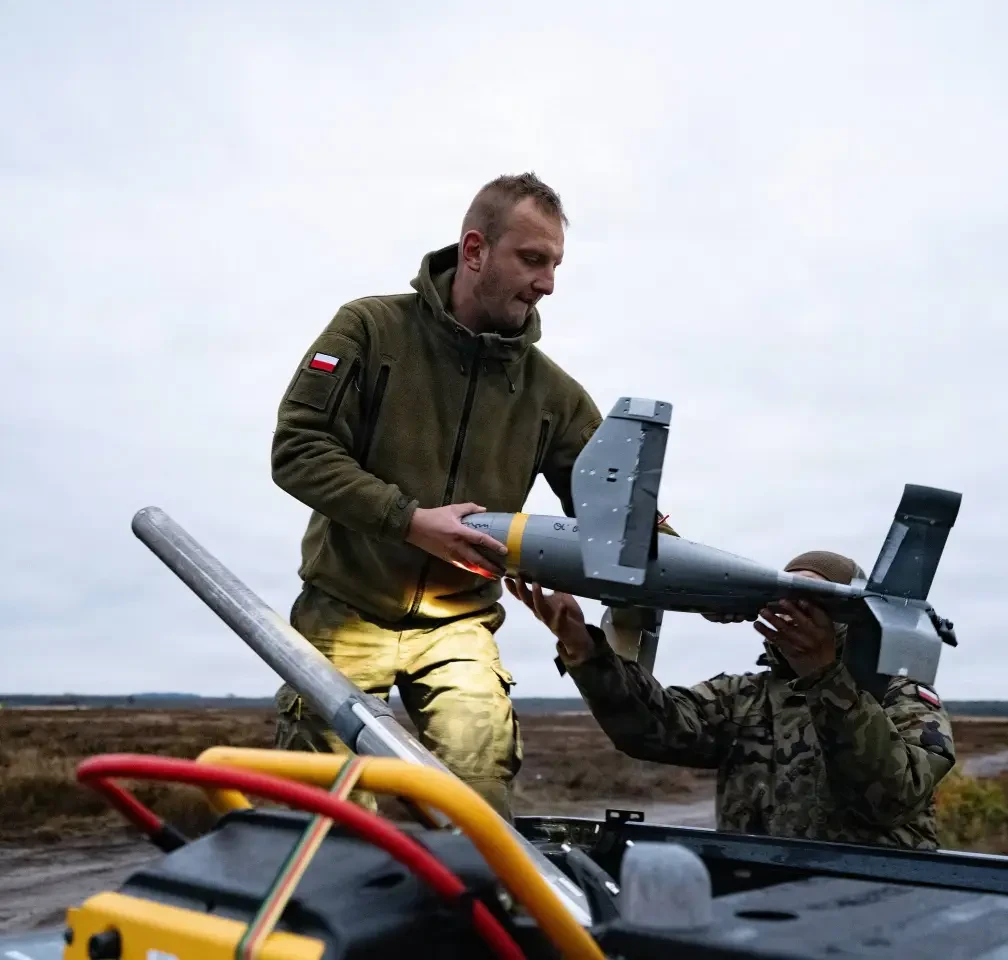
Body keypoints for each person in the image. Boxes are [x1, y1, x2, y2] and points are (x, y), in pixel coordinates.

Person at [268, 172, 674, 820]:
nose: (547, 283)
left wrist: (711, 588)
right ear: (475, 250)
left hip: (461, 625)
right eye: (532, 259)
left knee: (479, 801)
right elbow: (299, 448)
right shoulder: (369, 329)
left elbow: (619, 517)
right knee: (327, 810)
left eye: (555, 265)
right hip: (345, 608)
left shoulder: (555, 396)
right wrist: (410, 521)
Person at [505, 550, 957, 849]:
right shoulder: (745, 698)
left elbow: (892, 796)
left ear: (848, 617)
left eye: (813, 601)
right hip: (756, 894)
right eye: (786, 598)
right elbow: (651, 728)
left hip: (873, 899)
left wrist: (824, 676)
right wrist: (585, 649)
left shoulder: (899, 695)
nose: (793, 613)